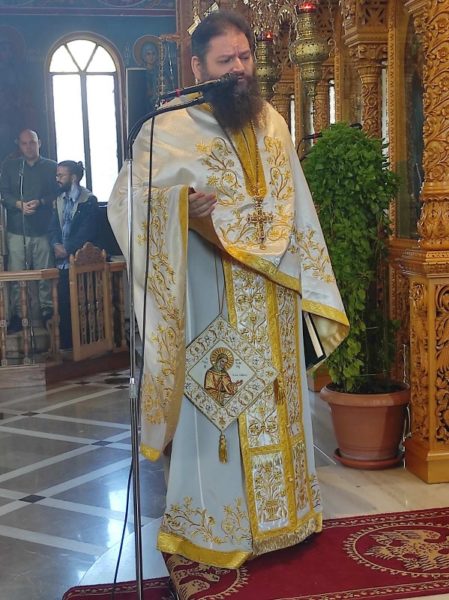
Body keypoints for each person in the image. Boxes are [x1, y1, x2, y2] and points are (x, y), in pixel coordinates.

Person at [108, 10, 349, 568]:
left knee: (277, 399)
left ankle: (288, 518)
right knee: (221, 405)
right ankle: (220, 525)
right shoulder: (165, 128)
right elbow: (127, 205)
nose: (239, 68)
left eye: (245, 56)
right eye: (225, 60)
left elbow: (296, 209)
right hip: (209, 296)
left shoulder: (271, 122)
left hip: (275, 296)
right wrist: (179, 211)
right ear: (198, 67)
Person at [0, 129, 56, 332]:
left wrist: (40, 202)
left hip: (43, 229)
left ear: (39, 143)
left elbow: (57, 193)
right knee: (17, 274)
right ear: (19, 145)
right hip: (17, 229)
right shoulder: (11, 166)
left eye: (32, 142)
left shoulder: (51, 166)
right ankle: (18, 314)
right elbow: (3, 193)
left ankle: (48, 312)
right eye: (24, 143)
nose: (28, 147)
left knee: (45, 273)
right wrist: (18, 204)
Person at [48, 160, 98, 349]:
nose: (57, 178)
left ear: (74, 177)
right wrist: (55, 244)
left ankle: (87, 345)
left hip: (82, 262)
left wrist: (67, 248)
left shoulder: (88, 200)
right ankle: (68, 347)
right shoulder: (59, 200)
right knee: (64, 304)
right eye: (57, 175)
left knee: (85, 305)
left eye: (61, 175)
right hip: (63, 263)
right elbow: (53, 227)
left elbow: (88, 231)